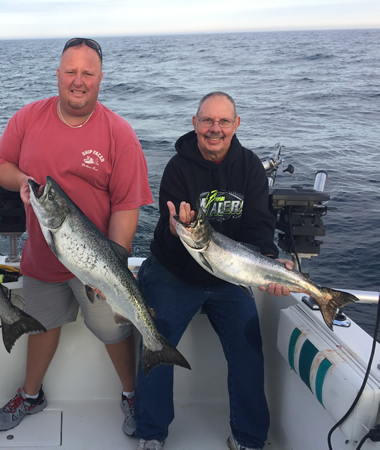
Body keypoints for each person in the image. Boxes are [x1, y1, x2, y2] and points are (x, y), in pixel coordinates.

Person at [0, 37, 153, 436]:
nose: (78, 81)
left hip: (96, 264)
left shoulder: (119, 134)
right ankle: (31, 394)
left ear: (100, 79)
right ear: (58, 74)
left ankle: (131, 394)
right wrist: (22, 180)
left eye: (88, 73)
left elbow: (126, 206)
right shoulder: (28, 117)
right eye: (71, 72)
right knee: (41, 326)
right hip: (42, 262)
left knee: (114, 329)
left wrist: (110, 266)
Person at [133, 92, 294, 450]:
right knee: (155, 338)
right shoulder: (178, 167)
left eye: (223, 121)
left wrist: (267, 260)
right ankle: (151, 431)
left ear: (236, 125)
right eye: (207, 121)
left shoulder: (250, 166)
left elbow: (258, 225)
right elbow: (164, 228)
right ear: (195, 124)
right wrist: (176, 229)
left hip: (230, 274)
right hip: (174, 270)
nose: (215, 129)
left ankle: (249, 438)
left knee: (249, 350)